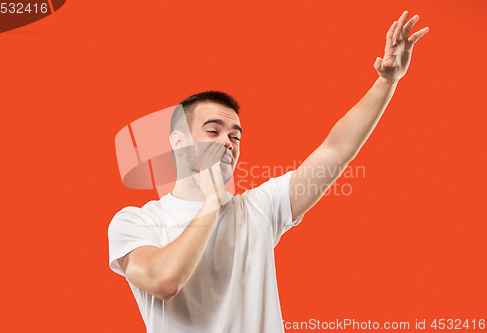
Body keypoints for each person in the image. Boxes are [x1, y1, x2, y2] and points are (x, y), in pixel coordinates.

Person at [108, 11, 429, 333]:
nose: (228, 142)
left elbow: (335, 151)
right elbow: (164, 281)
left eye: (235, 136)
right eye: (212, 131)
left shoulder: (258, 209)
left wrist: (386, 82)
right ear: (178, 142)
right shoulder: (136, 221)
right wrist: (211, 201)